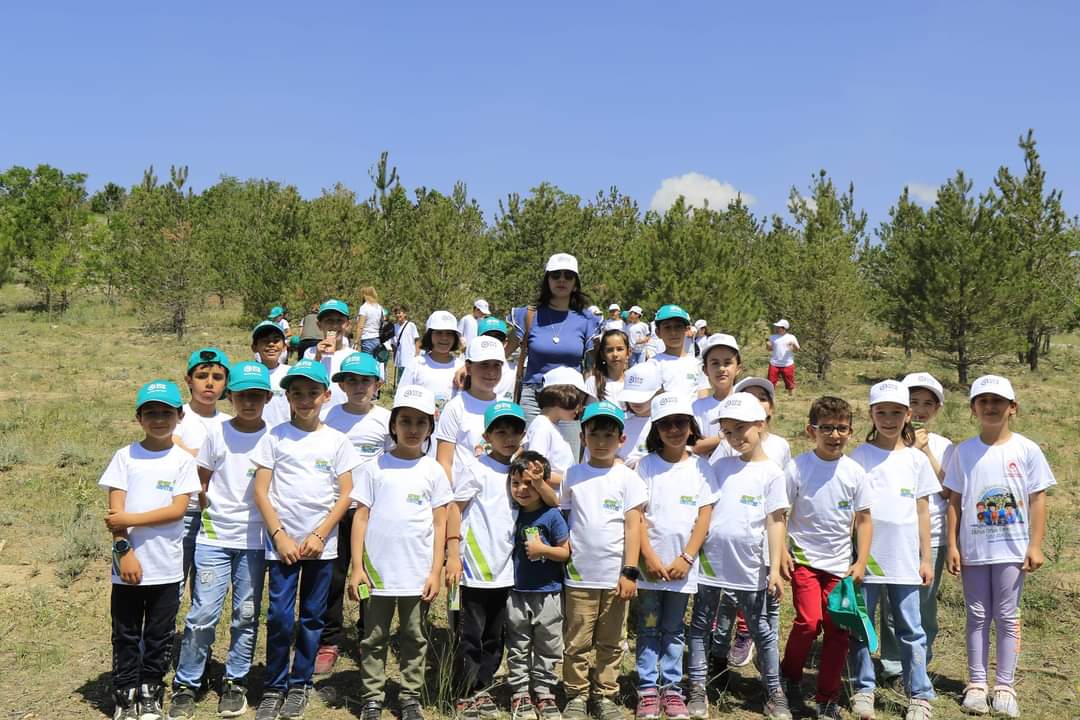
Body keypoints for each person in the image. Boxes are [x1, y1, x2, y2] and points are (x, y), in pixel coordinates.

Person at [251, 359, 362, 720]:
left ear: (326, 396)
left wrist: (319, 533)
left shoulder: (337, 441)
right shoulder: (275, 436)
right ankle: (274, 685)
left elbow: (345, 494)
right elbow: (262, 491)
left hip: (322, 546)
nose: (305, 399)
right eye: (296, 393)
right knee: (280, 617)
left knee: (313, 617)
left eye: (313, 393)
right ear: (288, 397)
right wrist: (279, 535)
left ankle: (301, 684)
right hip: (282, 547)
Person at [946, 375, 1055, 718]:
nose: (990, 408)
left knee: (1008, 616)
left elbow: (1038, 499)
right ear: (973, 409)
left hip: (1012, 549)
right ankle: (977, 684)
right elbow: (954, 501)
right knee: (977, 616)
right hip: (974, 549)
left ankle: (1005, 686)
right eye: (983, 402)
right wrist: (952, 544)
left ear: (1012, 407)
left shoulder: (1026, 449)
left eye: (998, 402)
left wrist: (1035, 545)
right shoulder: (963, 451)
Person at [170, 363, 273, 719]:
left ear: (267, 399)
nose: (248, 403)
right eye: (242, 395)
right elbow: (201, 479)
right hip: (214, 538)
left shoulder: (274, 436)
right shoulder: (217, 433)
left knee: (246, 614)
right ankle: (187, 683)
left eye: (256, 396)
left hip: (255, 542)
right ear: (232, 397)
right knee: (201, 614)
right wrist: (209, 506)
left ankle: (236, 682)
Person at [347, 385, 450, 720]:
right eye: (405, 420)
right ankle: (372, 697)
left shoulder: (433, 471)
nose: (412, 428)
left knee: (415, 637)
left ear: (430, 429)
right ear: (393, 425)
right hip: (376, 575)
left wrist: (435, 570)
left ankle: (409, 695)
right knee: (373, 637)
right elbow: (360, 517)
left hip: (417, 574)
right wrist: (357, 567)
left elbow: (439, 523)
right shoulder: (375, 467)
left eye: (421, 422)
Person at [102, 380, 200, 720]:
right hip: (128, 567)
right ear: (139, 417)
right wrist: (124, 552)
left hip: (167, 567)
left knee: (159, 635)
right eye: (150, 413)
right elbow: (116, 517)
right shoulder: (124, 457)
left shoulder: (182, 461)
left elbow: (177, 510)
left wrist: (131, 518)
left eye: (166, 413)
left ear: (179, 415)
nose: (158, 419)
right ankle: (125, 693)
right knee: (126, 633)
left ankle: (150, 691)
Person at [689, 393, 791, 720]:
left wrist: (774, 569)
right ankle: (697, 687)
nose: (735, 438)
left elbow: (776, 522)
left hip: (750, 566)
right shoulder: (719, 465)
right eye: (728, 432)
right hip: (710, 564)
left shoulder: (773, 473)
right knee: (701, 623)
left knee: (762, 628)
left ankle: (774, 692)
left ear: (760, 425)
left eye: (741, 429)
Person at [848, 380, 939, 720]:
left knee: (911, 628)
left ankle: (920, 693)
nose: (888, 419)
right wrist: (853, 557)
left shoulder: (916, 460)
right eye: (881, 412)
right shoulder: (859, 456)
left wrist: (926, 557)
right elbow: (853, 512)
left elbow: (922, 510)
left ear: (908, 415)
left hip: (904, 560)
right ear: (871, 414)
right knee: (861, 626)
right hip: (867, 561)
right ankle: (863, 688)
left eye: (896, 412)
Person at [779, 396, 873, 719]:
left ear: (851, 431)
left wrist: (860, 563)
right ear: (811, 430)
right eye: (827, 428)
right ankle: (788, 675)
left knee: (837, 630)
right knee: (808, 622)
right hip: (804, 561)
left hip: (840, 568)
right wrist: (780, 552)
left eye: (842, 428)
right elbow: (780, 513)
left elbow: (864, 519)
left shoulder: (855, 473)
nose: (834, 435)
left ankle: (827, 698)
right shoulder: (798, 467)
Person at [560, 401, 646, 720]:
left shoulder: (628, 479)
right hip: (579, 578)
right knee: (576, 642)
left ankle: (605, 693)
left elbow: (634, 527)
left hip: (614, 578)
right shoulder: (573, 475)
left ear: (621, 439)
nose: (600, 441)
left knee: (612, 641)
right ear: (582, 436)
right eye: (593, 433)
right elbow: (564, 517)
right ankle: (576, 695)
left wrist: (630, 571)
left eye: (609, 434)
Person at [445, 401, 529, 719]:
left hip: (505, 571)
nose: (509, 437)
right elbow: (455, 509)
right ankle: (464, 693)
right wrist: (452, 554)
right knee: (469, 635)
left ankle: (483, 687)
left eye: (515, 431)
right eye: (501, 431)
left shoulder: (522, 471)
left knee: (495, 636)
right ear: (487, 436)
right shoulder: (477, 468)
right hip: (472, 571)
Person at [634, 393, 715, 720]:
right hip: (650, 571)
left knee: (674, 629)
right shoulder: (645, 466)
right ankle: (647, 689)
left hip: (684, 571)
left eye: (680, 422)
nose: (674, 429)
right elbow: (636, 516)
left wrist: (686, 557)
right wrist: (650, 558)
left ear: (691, 426)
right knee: (649, 626)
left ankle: (672, 688)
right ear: (656, 428)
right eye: (666, 423)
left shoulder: (701, 468)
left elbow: (704, 517)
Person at [315, 352, 393, 675]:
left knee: (369, 577)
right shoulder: (331, 417)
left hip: (371, 511)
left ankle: (367, 636)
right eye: (352, 380)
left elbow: (392, 463)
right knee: (333, 575)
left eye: (366, 380)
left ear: (377, 384)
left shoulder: (386, 419)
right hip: (337, 508)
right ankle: (329, 638)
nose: (359, 386)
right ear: (342, 384)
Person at [879, 373, 953, 690]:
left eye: (927, 403)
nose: (920, 409)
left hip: (931, 537)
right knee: (892, 607)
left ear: (936, 409)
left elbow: (949, 491)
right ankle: (893, 667)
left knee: (923, 604)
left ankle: (920, 662)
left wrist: (925, 452)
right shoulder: (883, 441)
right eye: (913, 402)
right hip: (891, 538)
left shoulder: (943, 445)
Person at [507, 253, 601, 459]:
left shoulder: (587, 320)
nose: (561, 280)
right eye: (555, 275)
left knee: (566, 462)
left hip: (570, 400)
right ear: (547, 280)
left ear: (575, 282)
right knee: (531, 462)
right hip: (533, 398)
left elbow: (591, 366)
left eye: (568, 275)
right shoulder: (528, 315)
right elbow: (501, 352)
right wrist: (465, 365)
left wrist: (587, 402)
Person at [506, 452, 570, 720]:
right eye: (516, 483)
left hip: (549, 593)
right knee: (518, 645)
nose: (522, 489)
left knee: (548, 646)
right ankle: (520, 693)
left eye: (530, 484)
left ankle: (544, 692)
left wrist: (543, 549)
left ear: (541, 484)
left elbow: (565, 553)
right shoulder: (511, 513)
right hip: (516, 593)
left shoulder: (552, 515)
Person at [174, 347, 232, 602]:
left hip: (215, 514)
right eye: (202, 376)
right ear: (188, 380)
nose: (209, 383)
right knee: (174, 580)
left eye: (217, 378)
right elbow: (170, 447)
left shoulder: (229, 422)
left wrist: (194, 454)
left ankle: (197, 640)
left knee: (206, 588)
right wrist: (202, 456)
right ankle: (160, 638)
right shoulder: (176, 417)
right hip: (182, 511)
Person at [435, 336, 505, 486]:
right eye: (484, 365)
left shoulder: (506, 406)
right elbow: (444, 462)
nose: (491, 372)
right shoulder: (455, 407)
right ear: (468, 368)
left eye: (497, 365)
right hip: (462, 500)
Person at [396, 310, 465, 427]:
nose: (444, 338)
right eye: (439, 333)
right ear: (430, 335)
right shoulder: (416, 363)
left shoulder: (460, 367)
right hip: (421, 433)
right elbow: (401, 398)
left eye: (449, 333)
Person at [523, 367, 587, 487]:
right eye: (577, 402)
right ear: (562, 397)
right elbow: (535, 471)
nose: (580, 409)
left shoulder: (552, 426)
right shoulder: (542, 427)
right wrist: (575, 480)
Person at [690, 334, 741, 458]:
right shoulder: (698, 407)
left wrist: (709, 442)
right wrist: (726, 436)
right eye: (715, 363)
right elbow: (694, 446)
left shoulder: (746, 403)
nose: (721, 368)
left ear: (738, 368)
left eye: (727, 363)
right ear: (705, 370)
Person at [302, 299, 354, 415]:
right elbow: (304, 384)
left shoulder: (353, 356)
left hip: (343, 416)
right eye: (329, 321)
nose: (335, 326)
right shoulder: (309, 353)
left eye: (340, 320)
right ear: (319, 325)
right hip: (317, 416)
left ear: (347, 324)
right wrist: (317, 357)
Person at [649, 304, 708, 403]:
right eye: (667, 327)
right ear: (658, 332)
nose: (673, 332)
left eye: (678, 327)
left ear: (686, 329)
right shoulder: (653, 364)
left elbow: (703, 395)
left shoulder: (696, 364)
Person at [614, 362, 661, 468]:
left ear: (657, 393)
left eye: (641, 398)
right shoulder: (620, 423)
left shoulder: (663, 424)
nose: (636, 403)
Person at [252, 320, 291, 429]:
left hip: (285, 435)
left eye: (276, 340)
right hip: (257, 435)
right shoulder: (249, 375)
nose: (271, 344)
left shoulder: (290, 373)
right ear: (254, 347)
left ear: (284, 346)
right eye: (265, 341)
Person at [585, 329, 629, 407]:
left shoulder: (633, 382)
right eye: (609, 350)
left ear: (628, 352)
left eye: (620, 349)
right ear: (603, 355)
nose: (615, 354)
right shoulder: (594, 382)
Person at [478, 316, 517, 401]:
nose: (493, 342)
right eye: (488, 337)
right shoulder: (468, 369)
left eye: (498, 338)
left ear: (505, 342)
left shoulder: (515, 371)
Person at [766, 320, 800, 396]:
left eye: (778, 327)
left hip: (787, 363)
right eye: (776, 327)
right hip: (774, 363)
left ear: (783, 328)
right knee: (770, 383)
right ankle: (770, 397)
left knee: (790, 383)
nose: (776, 328)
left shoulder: (791, 337)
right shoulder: (772, 337)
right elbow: (769, 349)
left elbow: (797, 349)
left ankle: (791, 398)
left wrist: (793, 346)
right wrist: (768, 345)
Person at [390, 305, 421, 389]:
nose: (397, 315)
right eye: (396, 313)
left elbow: (417, 340)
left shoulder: (411, 325)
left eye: (399, 313)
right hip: (400, 356)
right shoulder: (394, 327)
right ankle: (400, 392)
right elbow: (393, 343)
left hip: (410, 355)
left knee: (410, 376)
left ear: (404, 314)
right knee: (400, 376)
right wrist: (394, 355)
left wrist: (417, 354)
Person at [353, 287, 384, 355]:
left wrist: (357, 340)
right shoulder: (379, 307)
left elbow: (360, 326)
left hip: (367, 338)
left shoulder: (364, 307)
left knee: (367, 362)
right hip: (377, 338)